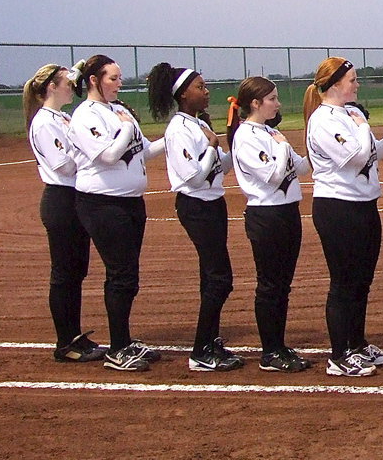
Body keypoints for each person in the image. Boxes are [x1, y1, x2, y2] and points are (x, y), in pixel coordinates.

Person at [66, 55, 166, 372]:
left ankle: (124, 340)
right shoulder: (84, 116)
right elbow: (108, 155)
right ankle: (118, 349)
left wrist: (175, 136)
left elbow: (145, 151)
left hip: (130, 201)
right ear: (94, 80)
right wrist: (125, 128)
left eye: (120, 78)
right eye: (112, 78)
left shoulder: (120, 110)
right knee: (121, 275)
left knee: (129, 276)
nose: (119, 83)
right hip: (101, 203)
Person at [147, 63, 242, 372]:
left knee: (211, 277)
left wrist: (231, 138)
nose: (206, 91)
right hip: (196, 206)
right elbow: (195, 177)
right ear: (183, 94)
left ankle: (210, 341)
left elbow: (223, 168)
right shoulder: (179, 129)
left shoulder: (198, 123)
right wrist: (213, 148)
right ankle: (201, 347)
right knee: (220, 278)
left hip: (213, 204)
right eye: (200, 87)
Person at [304, 57, 383, 377]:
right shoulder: (324, 119)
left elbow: (372, 153)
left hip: (364, 202)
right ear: (334, 85)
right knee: (344, 282)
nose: (357, 84)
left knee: (362, 279)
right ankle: (339, 354)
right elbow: (354, 157)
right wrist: (364, 127)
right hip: (338, 207)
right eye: (352, 80)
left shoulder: (351, 113)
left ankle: (357, 342)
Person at [227, 77, 314, 373]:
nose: (277, 104)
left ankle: (279, 344)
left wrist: (306, 141)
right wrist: (281, 147)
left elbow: (301, 168)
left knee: (283, 286)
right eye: (272, 99)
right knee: (270, 285)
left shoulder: (270, 132)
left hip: (288, 212)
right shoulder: (246, 136)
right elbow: (273, 176)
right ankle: (270, 351)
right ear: (256, 103)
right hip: (266, 216)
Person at [25, 63, 106, 363]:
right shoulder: (45, 122)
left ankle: (74, 335)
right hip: (61, 198)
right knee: (64, 274)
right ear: (51, 88)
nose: (72, 86)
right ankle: (66, 342)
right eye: (66, 83)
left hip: (74, 197)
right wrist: (88, 151)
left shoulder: (63, 117)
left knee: (75, 272)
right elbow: (64, 164)